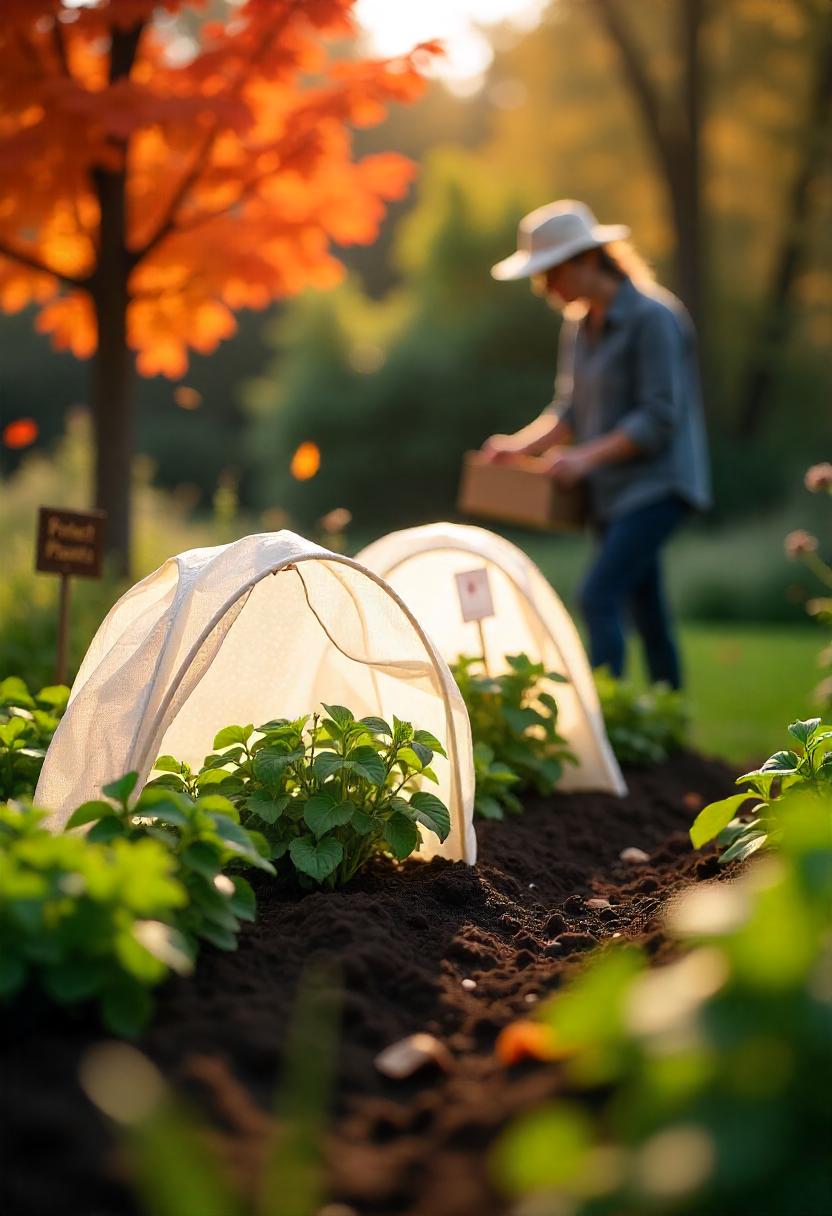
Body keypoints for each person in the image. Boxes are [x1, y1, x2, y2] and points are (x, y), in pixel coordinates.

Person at [482, 200, 711, 690]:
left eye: (550, 273)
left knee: (598, 594)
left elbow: (659, 417)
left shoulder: (655, 318)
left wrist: (584, 457)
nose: (545, 288)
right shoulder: (580, 325)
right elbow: (569, 408)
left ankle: (604, 719)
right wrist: (517, 448)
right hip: (611, 494)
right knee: (646, 608)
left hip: (659, 486)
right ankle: (667, 731)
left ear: (588, 260)